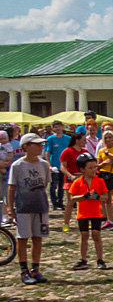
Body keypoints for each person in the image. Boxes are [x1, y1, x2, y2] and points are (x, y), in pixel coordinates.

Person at [6, 132, 51, 285]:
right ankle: (23, 270)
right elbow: (11, 188)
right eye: (37, 144)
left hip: (40, 207)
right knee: (23, 238)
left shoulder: (43, 164)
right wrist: (11, 209)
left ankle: (35, 268)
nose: (40, 147)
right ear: (26, 147)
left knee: (38, 237)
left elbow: (44, 184)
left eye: (41, 144)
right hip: (23, 207)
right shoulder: (17, 166)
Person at [68, 153, 108, 270]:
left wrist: (97, 197)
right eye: (90, 168)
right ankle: (83, 258)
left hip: (96, 213)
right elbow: (72, 198)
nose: (94, 170)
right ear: (82, 170)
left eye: (95, 167)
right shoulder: (77, 182)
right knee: (84, 235)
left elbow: (105, 197)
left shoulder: (100, 181)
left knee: (96, 234)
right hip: (83, 213)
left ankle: (100, 259)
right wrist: (84, 196)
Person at [59, 131, 86, 232]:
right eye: (83, 140)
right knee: (71, 202)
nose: (84, 142)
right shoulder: (67, 151)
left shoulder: (85, 151)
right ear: (77, 140)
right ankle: (66, 223)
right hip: (71, 180)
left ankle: (84, 222)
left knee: (84, 201)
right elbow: (62, 166)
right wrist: (70, 176)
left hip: (83, 179)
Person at [43, 120, 70, 211]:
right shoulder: (50, 139)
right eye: (56, 127)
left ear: (62, 127)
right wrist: (49, 165)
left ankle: (61, 202)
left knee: (62, 185)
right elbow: (47, 152)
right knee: (53, 185)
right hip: (54, 166)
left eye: (59, 126)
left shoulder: (67, 138)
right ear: (53, 128)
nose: (58, 128)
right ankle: (54, 203)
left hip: (64, 166)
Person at [0, 130, 15, 224]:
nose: (2, 140)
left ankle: (7, 214)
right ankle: (4, 214)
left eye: (4, 139)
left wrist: (6, 163)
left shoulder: (8, 146)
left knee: (5, 194)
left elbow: (10, 155)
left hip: (5, 165)